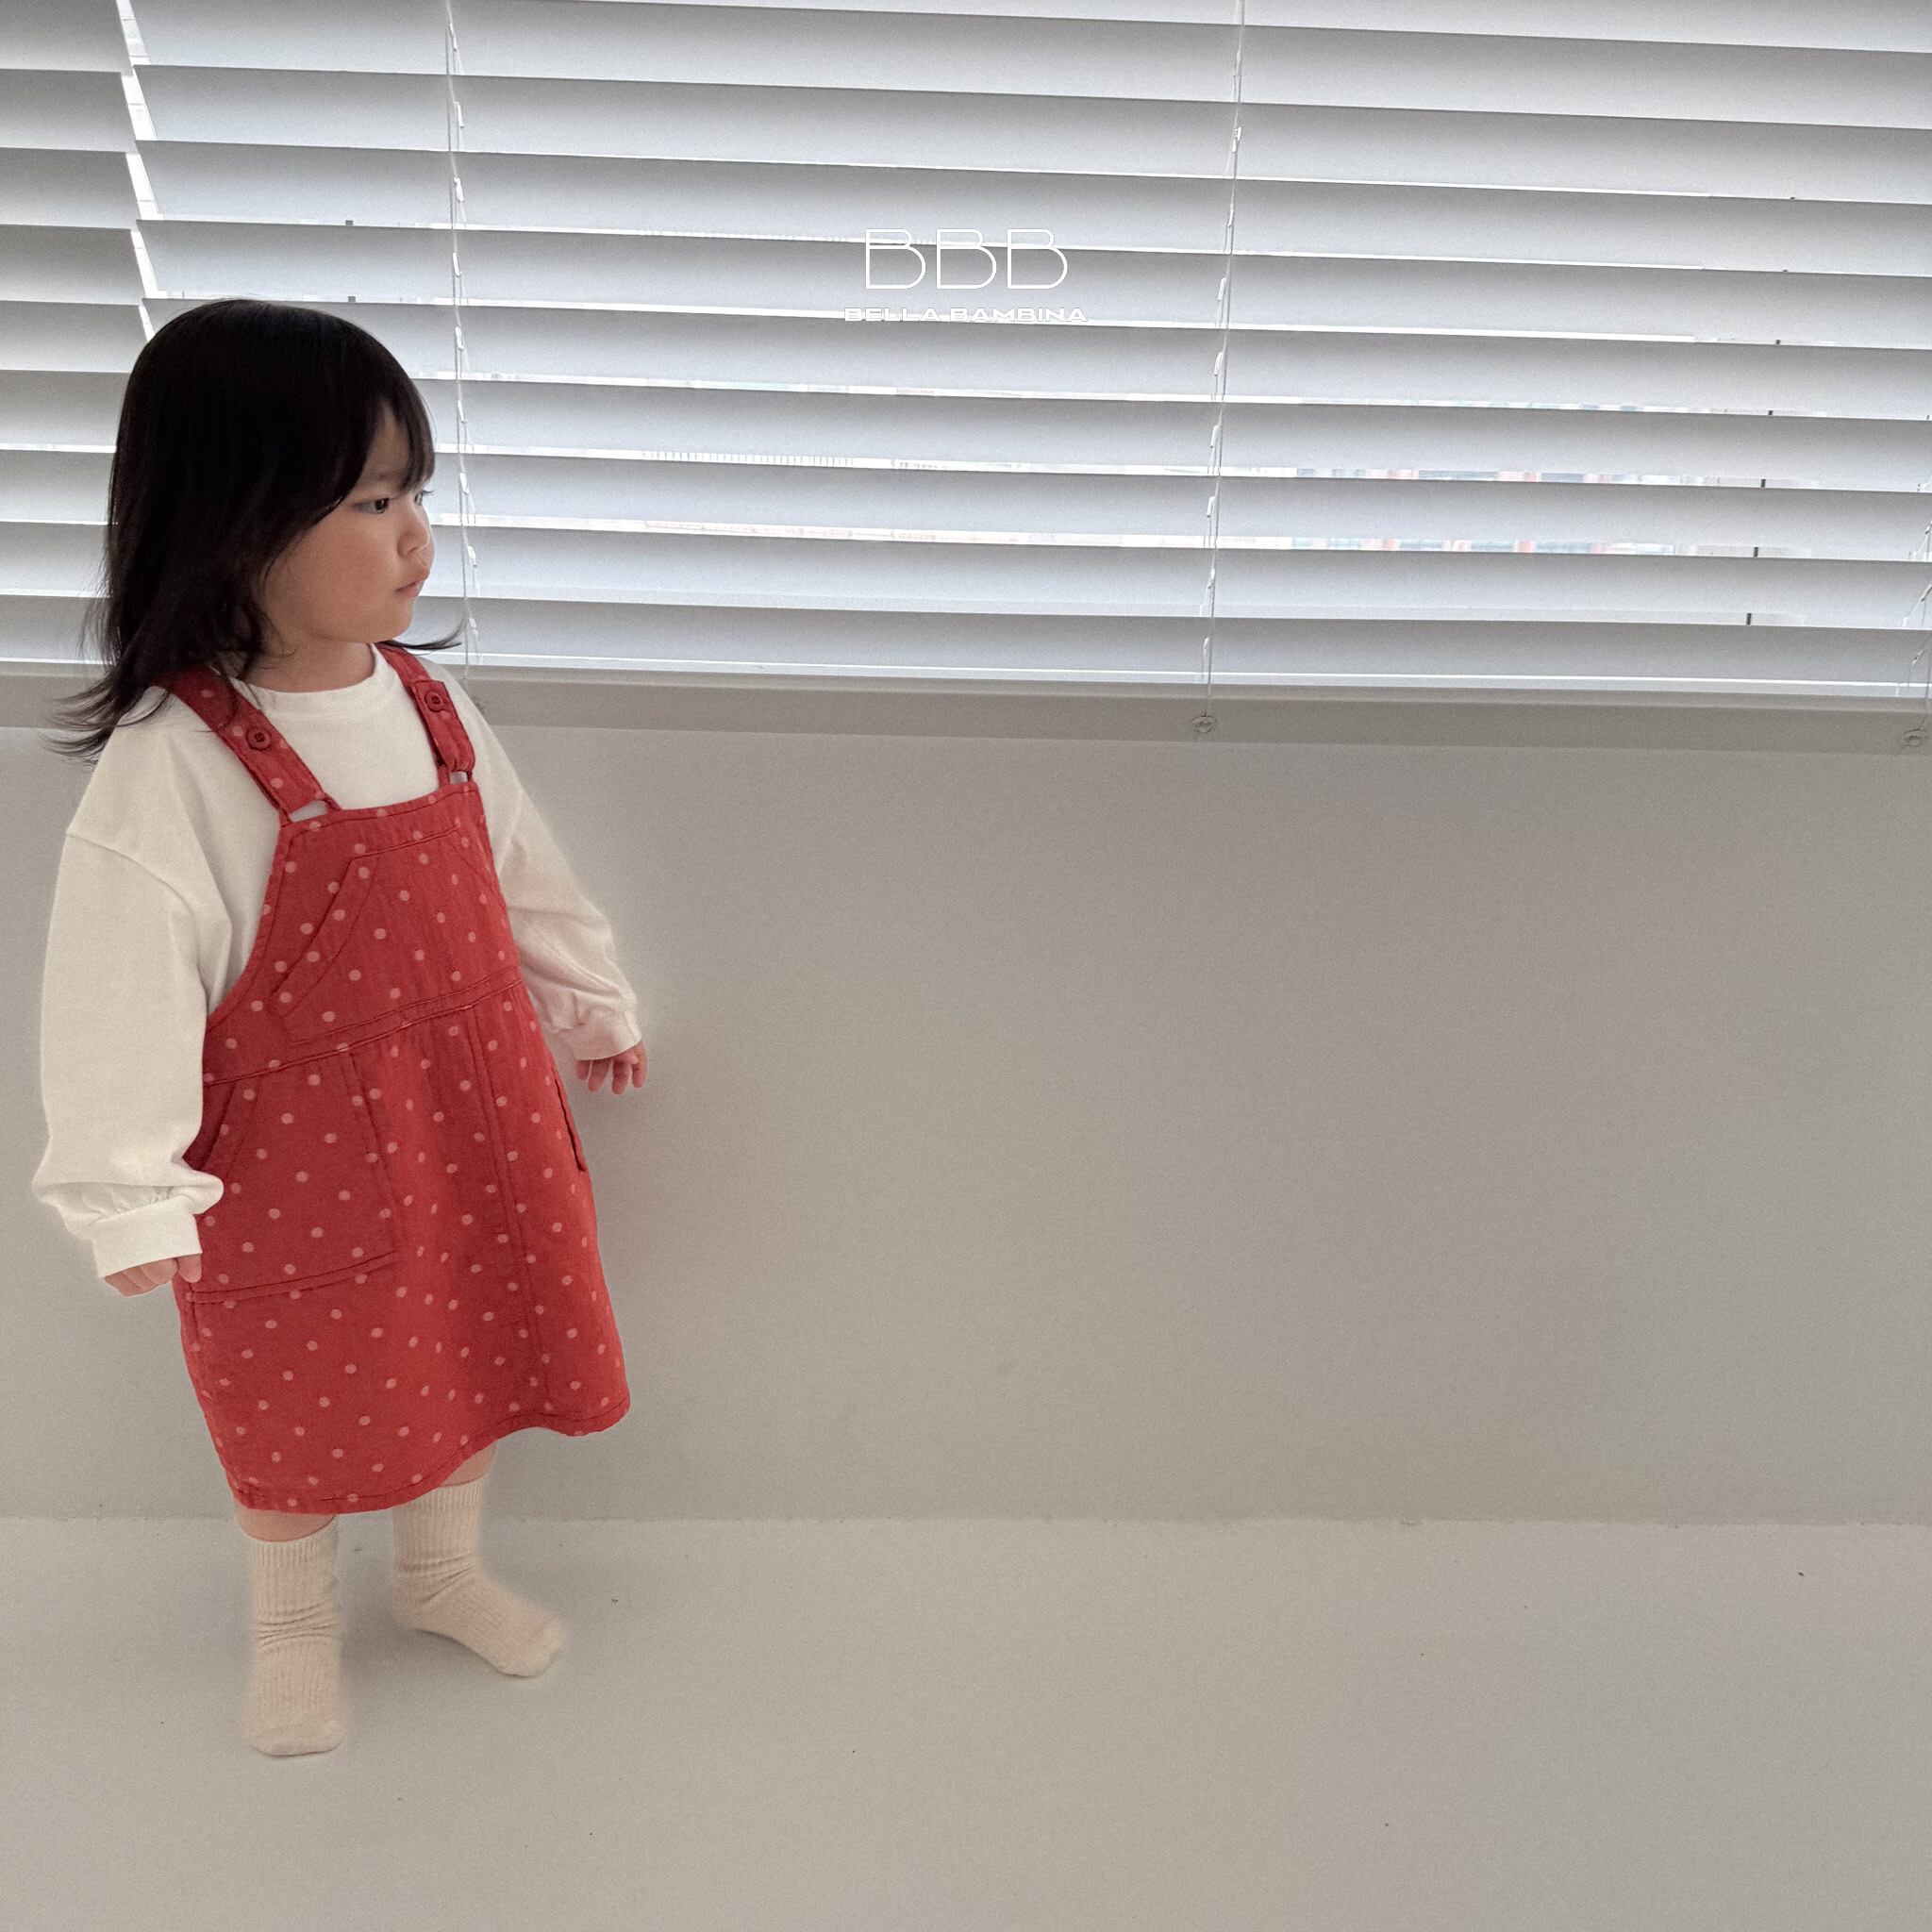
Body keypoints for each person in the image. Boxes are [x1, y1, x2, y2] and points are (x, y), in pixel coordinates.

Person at [31, 297, 647, 1757]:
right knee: (291, 1392)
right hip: (289, 1165)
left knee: (472, 1343)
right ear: (234, 524)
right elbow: (117, 986)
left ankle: (438, 1574)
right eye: (371, 502)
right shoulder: (176, 765)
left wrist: (589, 998)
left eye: (414, 492)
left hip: (473, 1115)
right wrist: (127, 1189)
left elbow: (522, 871)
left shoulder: (430, 705)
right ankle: (293, 1622)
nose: (415, 536)